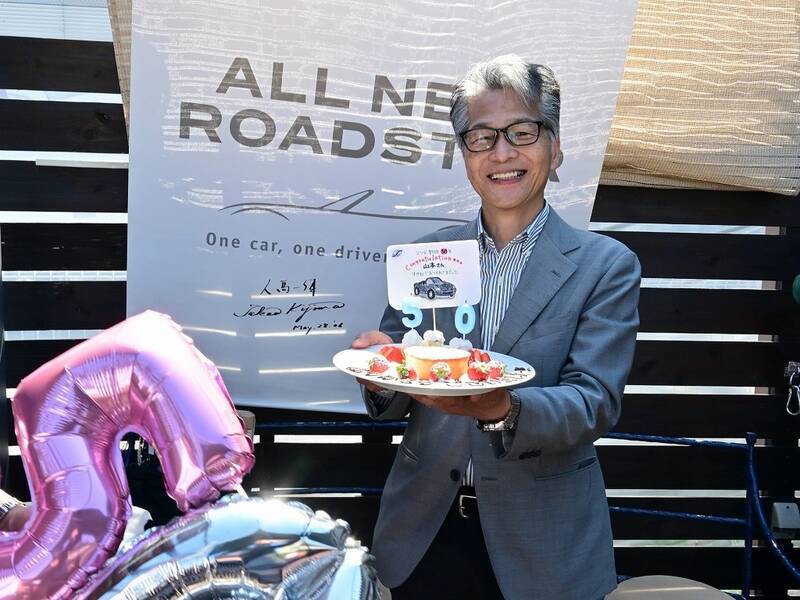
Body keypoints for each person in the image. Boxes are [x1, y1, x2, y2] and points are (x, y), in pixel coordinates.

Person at [352, 54, 641, 600]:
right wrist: (381, 375)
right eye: (481, 137)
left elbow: (594, 402)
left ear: (555, 147)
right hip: (424, 533)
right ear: (465, 154)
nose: (502, 153)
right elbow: (399, 392)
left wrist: (502, 408)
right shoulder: (425, 258)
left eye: (522, 132)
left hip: (543, 543)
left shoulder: (605, 266)